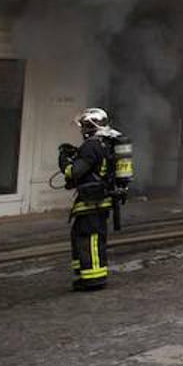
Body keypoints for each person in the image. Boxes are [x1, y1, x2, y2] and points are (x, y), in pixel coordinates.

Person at [58, 108, 117, 291]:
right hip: (100, 197)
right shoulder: (106, 143)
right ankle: (84, 274)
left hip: (92, 199)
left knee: (89, 238)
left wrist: (65, 160)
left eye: (84, 125)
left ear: (91, 126)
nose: (82, 129)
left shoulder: (91, 145)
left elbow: (75, 172)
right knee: (80, 235)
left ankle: (94, 278)